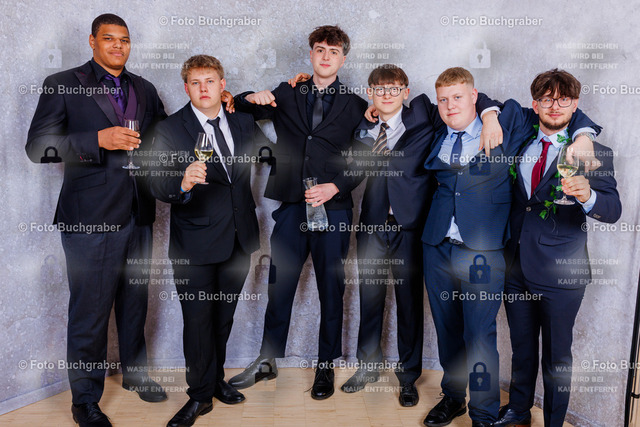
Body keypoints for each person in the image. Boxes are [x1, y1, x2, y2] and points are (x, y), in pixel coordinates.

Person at [420, 67, 599, 427]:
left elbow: (556, 112)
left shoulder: (509, 123)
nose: (450, 105)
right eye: (444, 99)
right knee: (447, 329)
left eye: (459, 97)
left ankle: (483, 413)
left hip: (483, 252)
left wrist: (584, 133)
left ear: (475, 97)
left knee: (479, 335)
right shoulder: (438, 126)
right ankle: (452, 397)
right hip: (436, 245)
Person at [25, 13, 167, 427]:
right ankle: (84, 400)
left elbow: (167, 134)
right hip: (89, 219)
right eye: (109, 39)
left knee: (134, 301)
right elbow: (38, 147)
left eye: (124, 39)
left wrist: (225, 102)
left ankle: (135, 374)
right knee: (89, 311)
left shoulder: (144, 88)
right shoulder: (62, 83)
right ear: (92, 42)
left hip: (139, 212)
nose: (118, 46)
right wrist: (97, 140)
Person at [341, 64, 502, 407]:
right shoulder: (363, 127)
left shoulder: (426, 113)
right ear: (371, 93)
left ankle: (408, 377)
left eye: (393, 88)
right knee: (370, 298)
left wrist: (490, 116)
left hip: (412, 227)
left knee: (409, 303)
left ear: (406, 91)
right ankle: (367, 367)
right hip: (372, 223)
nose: (386, 95)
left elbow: (468, 98)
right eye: (379, 89)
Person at [227, 25, 368, 400]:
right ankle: (267, 361)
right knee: (279, 286)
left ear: (343, 59)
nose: (325, 56)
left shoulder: (356, 105)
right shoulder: (288, 91)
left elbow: (365, 157)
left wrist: (336, 186)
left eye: (333, 52)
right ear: (311, 54)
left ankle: (326, 366)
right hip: (291, 206)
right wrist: (250, 95)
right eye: (320, 49)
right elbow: (238, 106)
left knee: (331, 291)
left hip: (333, 211)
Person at [494, 69, 621, 427]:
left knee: (556, 357)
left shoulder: (592, 152)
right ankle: (518, 410)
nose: (555, 106)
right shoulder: (521, 138)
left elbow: (613, 210)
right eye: (546, 98)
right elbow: (492, 105)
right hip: (515, 266)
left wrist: (588, 195)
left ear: (575, 104)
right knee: (521, 349)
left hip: (562, 274)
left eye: (564, 99)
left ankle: (553, 422)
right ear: (535, 103)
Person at [149, 54, 266, 427]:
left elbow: (275, 153)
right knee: (198, 322)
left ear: (222, 85)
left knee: (222, 319)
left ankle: (215, 381)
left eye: (210, 81)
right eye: (196, 83)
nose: (203, 88)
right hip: (194, 245)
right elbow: (156, 183)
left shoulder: (242, 121)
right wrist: (181, 183)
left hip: (240, 238)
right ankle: (199, 396)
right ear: (186, 88)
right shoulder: (170, 129)